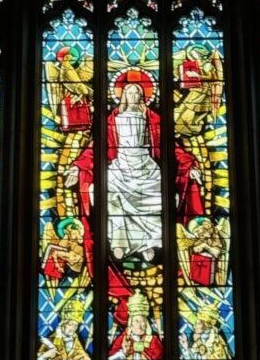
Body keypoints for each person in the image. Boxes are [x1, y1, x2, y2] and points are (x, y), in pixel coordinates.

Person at [65, 77, 202, 263]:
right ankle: (119, 242)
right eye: (130, 92)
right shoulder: (112, 119)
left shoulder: (153, 119)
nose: (134, 95)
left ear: (142, 95)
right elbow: (96, 148)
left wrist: (190, 165)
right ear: (123, 95)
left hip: (146, 166)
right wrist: (76, 168)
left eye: (137, 92)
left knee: (160, 198)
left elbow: (171, 146)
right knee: (104, 192)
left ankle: (149, 242)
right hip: (121, 165)